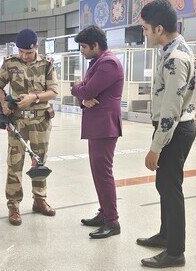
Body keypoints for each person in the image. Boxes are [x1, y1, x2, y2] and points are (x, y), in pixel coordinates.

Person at [138, 0, 196, 268]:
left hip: (175, 129)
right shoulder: (172, 48)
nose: (144, 34)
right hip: (175, 127)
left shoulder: (175, 57)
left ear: (159, 28)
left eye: (146, 29)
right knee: (165, 185)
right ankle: (166, 234)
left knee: (170, 188)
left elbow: (171, 111)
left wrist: (156, 147)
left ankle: (175, 252)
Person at [0, 28, 58, 226]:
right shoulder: (10, 63)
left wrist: (34, 97)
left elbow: (53, 91)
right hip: (17, 122)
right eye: (21, 51)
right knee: (15, 162)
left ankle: (39, 199)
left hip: (40, 121)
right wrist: (3, 103)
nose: (24, 56)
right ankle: (13, 205)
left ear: (36, 47)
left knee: (39, 161)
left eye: (28, 52)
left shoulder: (47, 64)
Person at [70, 25, 124, 239]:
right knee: (98, 173)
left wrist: (78, 90)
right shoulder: (97, 62)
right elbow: (87, 93)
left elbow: (87, 90)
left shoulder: (108, 64)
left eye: (83, 47)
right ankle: (104, 213)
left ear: (95, 45)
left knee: (103, 174)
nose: (81, 51)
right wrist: (83, 95)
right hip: (98, 126)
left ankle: (112, 221)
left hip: (104, 126)